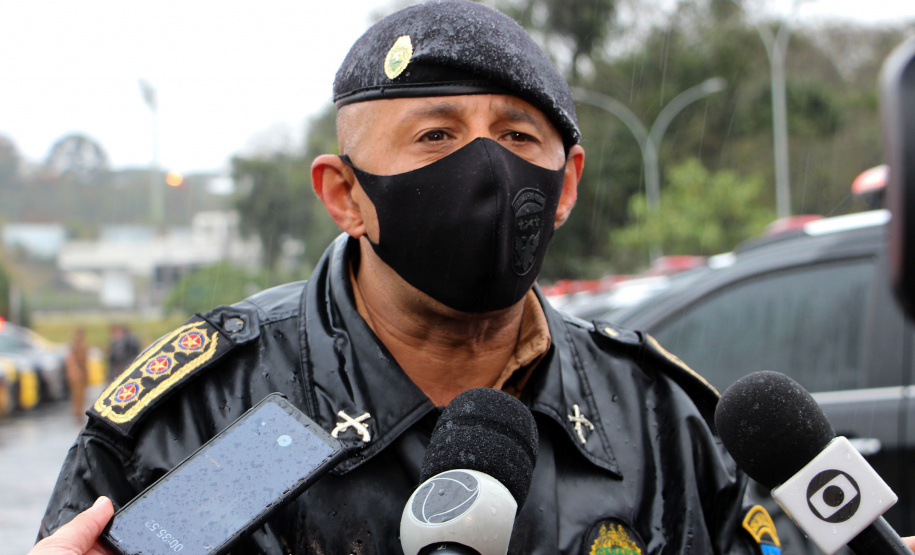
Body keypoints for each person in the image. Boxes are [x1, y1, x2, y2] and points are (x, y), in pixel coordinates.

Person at [32, 1, 829, 552]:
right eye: (435, 135)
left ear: (569, 184)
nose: (485, 169)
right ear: (344, 195)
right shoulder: (215, 420)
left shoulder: (658, 420)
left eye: (518, 134)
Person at [64, 327, 89, 423]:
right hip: (77, 373)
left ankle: (79, 412)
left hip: (83, 372)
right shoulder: (73, 346)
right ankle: (77, 412)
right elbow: (70, 361)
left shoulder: (83, 345)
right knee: (76, 395)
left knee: (82, 394)